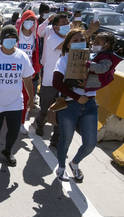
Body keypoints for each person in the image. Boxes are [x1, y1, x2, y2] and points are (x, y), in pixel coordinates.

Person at [53, 30, 121, 181]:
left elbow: (104, 74)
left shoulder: (94, 58)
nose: (79, 42)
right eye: (75, 40)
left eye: (82, 39)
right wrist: (77, 96)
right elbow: (56, 83)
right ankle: (61, 167)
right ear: (68, 43)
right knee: (66, 139)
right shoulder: (64, 60)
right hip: (69, 105)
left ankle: (75, 163)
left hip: (90, 105)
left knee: (90, 143)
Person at [0, 25, 35, 166]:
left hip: (15, 102)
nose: (10, 41)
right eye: (7, 38)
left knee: (14, 130)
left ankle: (7, 150)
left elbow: (28, 79)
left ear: (16, 40)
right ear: (2, 40)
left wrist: (31, 97)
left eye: (13, 38)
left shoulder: (22, 56)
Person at [35, 14, 69, 146]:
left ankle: (55, 139)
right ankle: (40, 124)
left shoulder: (69, 38)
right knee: (44, 108)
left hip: (65, 82)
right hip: (50, 81)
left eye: (67, 22)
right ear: (55, 27)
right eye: (63, 23)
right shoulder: (52, 37)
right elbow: (64, 45)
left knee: (61, 110)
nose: (67, 25)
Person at [16, 10, 41, 124]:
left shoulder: (35, 37)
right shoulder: (16, 34)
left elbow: (35, 54)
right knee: (12, 95)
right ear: (22, 20)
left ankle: (22, 121)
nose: (30, 22)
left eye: (32, 20)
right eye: (27, 20)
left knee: (26, 97)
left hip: (27, 71)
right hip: (14, 69)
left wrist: (35, 70)